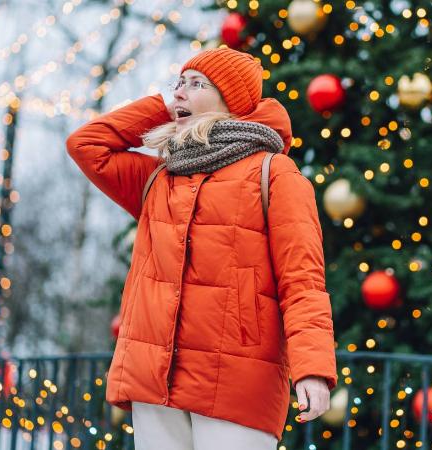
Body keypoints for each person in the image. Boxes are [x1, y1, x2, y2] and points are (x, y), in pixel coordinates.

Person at [66, 47, 337, 450]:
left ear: (233, 99)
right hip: (156, 377)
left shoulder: (275, 174)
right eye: (179, 83)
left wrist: (312, 369)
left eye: (196, 85)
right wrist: (161, 107)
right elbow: (87, 145)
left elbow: (303, 282)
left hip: (236, 378)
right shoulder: (160, 177)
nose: (180, 92)